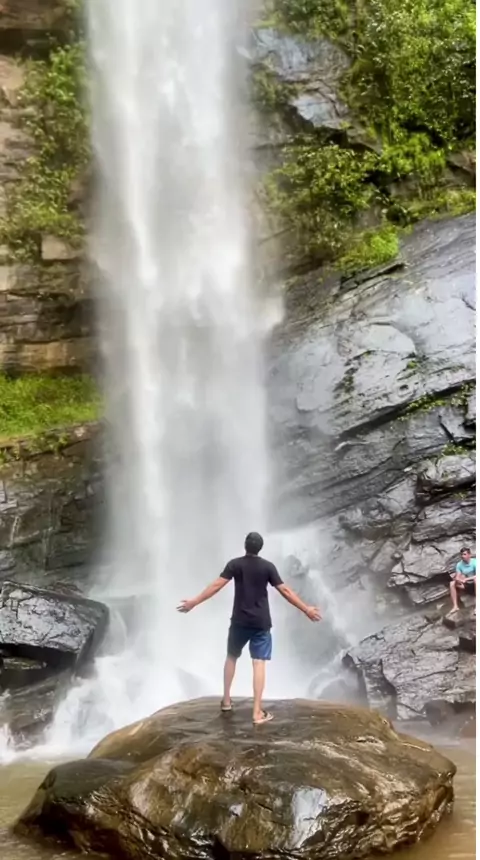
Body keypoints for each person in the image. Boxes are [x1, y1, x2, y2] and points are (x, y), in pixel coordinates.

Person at [177, 531, 321, 725]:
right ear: (260, 548)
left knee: (231, 657)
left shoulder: (235, 564)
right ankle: (257, 713)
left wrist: (194, 602)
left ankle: (226, 701)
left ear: (245, 545)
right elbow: (285, 591)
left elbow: (216, 586)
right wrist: (306, 609)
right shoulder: (268, 567)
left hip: (239, 621)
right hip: (261, 623)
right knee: (258, 663)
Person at [449, 546, 476, 614]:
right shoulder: (459, 564)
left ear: (469, 555)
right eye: (461, 554)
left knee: (476, 580)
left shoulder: (475, 562)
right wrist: (458, 579)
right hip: (467, 585)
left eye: (464, 554)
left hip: (476, 584)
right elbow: (458, 576)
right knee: (452, 583)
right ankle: (455, 606)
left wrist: (466, 579)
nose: (462, 556)